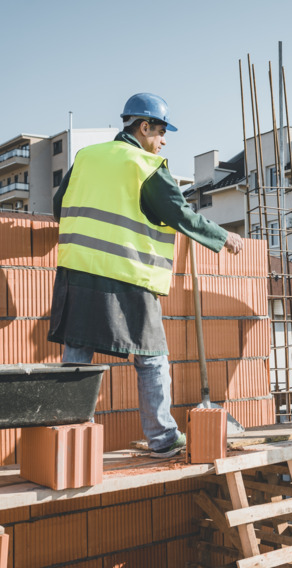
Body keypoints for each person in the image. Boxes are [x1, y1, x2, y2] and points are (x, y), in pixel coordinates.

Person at [48, 93, 243, 458]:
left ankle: (67, 436)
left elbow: (60, 208)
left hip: (77, 271)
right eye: (161, 131)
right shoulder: (146, 165)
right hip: (127, 273)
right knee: (152, 356)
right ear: (143, 127)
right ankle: (162, 439)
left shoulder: (85, 157)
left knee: (77, 352)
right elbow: (181, 214)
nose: (164, 140)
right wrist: (224, 237)